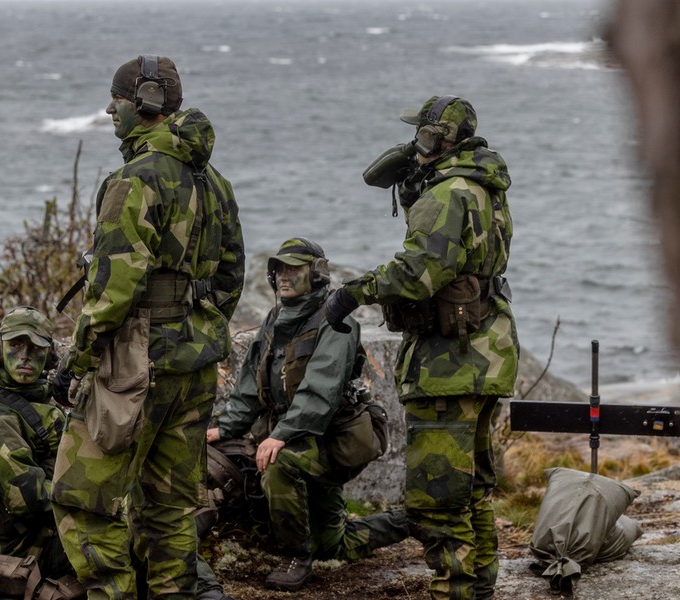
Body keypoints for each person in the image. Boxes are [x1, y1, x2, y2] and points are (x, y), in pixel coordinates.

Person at [49, 54, 244, 599]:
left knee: (81, 498)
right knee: (170, 507)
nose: (110, 109)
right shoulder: (215, 182)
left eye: (117, 99)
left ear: (146, 104)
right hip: (194, 364)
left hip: (135, 366)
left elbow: (112, 293)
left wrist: (76, 362)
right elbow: (232, 277)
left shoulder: (134, 182)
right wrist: (197, 328)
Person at [323, 95, 518, 600]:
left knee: (438, 498)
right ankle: (478, 586)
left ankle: (455, 590)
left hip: (450, 362)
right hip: (486, 353)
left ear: (442, 140)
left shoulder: (448, 194)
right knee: (470, 488)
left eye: (425, 136)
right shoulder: (482, 186)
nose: (417, 143)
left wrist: (352, 293)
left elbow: (416, 273)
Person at [206, 237, 408, 592]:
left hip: (335, 441)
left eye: (294, 269)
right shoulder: (275, 319)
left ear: (316, 274)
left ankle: (295, 557)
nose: (284, 277)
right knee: (333, 545)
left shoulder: (335, 321)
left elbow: (321, 390)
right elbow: (251, 385)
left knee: (277, 463)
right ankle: (410, 522)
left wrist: (281, 434)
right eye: (279, 269)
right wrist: (225, 427)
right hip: (303, 440)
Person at [0, 307, 82, 598]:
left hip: (50, 525)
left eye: (36, 349)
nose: (25, 356)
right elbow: (27, 497)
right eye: (16, 345)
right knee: (126, 539)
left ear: (49, 357)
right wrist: (97, 503)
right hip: (20, 545)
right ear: (0, 349)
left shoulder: (37, 397)